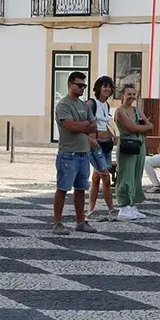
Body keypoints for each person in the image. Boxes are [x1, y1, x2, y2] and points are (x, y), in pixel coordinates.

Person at [53, 71, 98, 235]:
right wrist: (84, 125)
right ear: (70, 84)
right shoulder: (63, 105)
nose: (82, 88)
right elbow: (70, 127)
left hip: (83, 153)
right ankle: (57, 222)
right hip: (68, 154)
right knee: (62, 188)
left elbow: (94, 126)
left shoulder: (84, 105)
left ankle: (80, 221)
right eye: (79, 85)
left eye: (84, 86)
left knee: (81, 189)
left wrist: (82, 125)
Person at [113, 83, 150, 220]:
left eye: (134, 94)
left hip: (139, 145)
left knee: (136, 175)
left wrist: (138, 128)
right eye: (129, 94)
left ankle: (132, 203)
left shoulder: (137, 110)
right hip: (127, 146)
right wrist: (139, 128)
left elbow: (150, 125)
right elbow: (132, 127)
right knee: (126, 175)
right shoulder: (120, 111)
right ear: (122, 95)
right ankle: (123, 205)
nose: (132, 97)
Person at [87, 76, 117, 222]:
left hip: (106, 144)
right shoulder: (92, 103)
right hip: (96, 145)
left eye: (109, 87)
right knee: (106, 176)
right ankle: (111, 209)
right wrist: (91, 139)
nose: (107, 89)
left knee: (96, 178)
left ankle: (90, 209)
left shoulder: (106, 105)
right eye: (104, 86)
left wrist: (112, 135)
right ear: (98, 88)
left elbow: (104, 124)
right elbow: (86, 121)